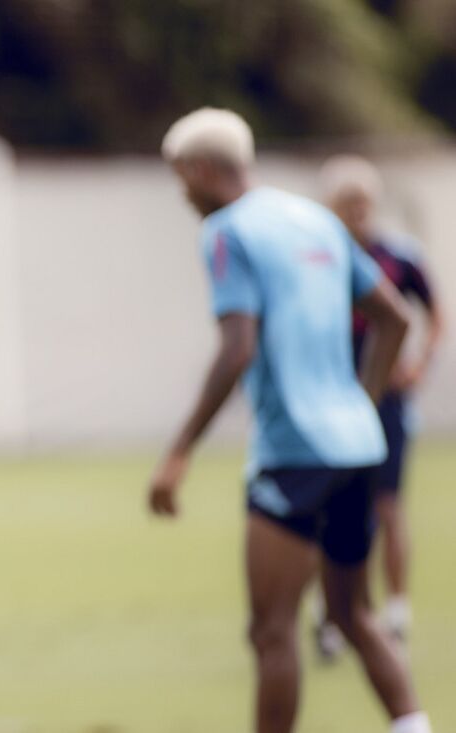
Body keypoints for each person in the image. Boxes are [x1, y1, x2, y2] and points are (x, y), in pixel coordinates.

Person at [148, 108, 431, 733]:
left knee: (272, 629)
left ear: (198, 169)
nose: (182, 193)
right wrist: (362, 401)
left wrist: (178, 452)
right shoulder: (317, 220)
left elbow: (237, 348)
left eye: (180, 178)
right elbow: (397, 319)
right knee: (355, 613)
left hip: (294, 452)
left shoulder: (225, 231)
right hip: (360, 445)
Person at [311, 155, 444, 658]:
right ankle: (333, 609)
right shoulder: (320, 258)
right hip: (333, 396)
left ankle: (395, 613)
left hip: (384, 399)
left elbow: (431, 316)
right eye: (347, 204)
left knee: (387, 505)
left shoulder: (397, 258)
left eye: (364, 202)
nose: (358, 212)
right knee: (330, 506)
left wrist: (417, 367)